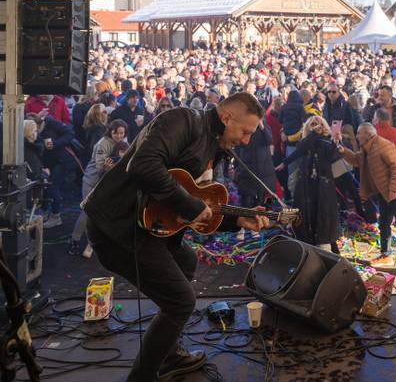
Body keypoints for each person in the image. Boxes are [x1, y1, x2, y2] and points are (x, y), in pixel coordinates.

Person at [83, 93, 270, 382]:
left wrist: (236, 220)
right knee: (181, 302)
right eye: (245, 131)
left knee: (186, 261)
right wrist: (193, 206)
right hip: (117, 226)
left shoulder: (214, 147)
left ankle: (167, 354)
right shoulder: (183, 121)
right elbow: (144, 165)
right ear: (226, 117)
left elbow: (195, 209)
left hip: (147, 227)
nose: (246, 140)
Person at [338, 123, 396, 276]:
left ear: (367, 134)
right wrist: (343, 151)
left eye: (359, 132)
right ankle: (386, 255)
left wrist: (393, 190)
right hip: (384, 191)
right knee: (384, 223)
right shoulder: (367, 148)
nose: (356, 135)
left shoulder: (383, 146)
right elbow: (356, 160)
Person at [276, 115, 341, 253]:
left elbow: (333, 156)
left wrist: (337, 140)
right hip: (306, 184)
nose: (316, 126)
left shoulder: (327, 140)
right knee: (305, 212)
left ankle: (324, 245)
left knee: (322, 213)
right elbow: (300, 149)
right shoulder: (306, 141)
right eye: (312, 124)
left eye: (318, 123)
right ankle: (306, 241)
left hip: (323, 186)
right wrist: (284, 163)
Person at [69, 119, 128, 258]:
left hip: (107, 183)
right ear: (110, 131)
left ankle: (94, 243)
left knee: (103, 214)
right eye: (116, 133)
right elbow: (100, 167)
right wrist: (111, 168)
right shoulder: (103, 144)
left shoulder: (124, 143)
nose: (119, 136)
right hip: (92, 181)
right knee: (87, 212)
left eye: (122, 133)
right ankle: (74, 241)